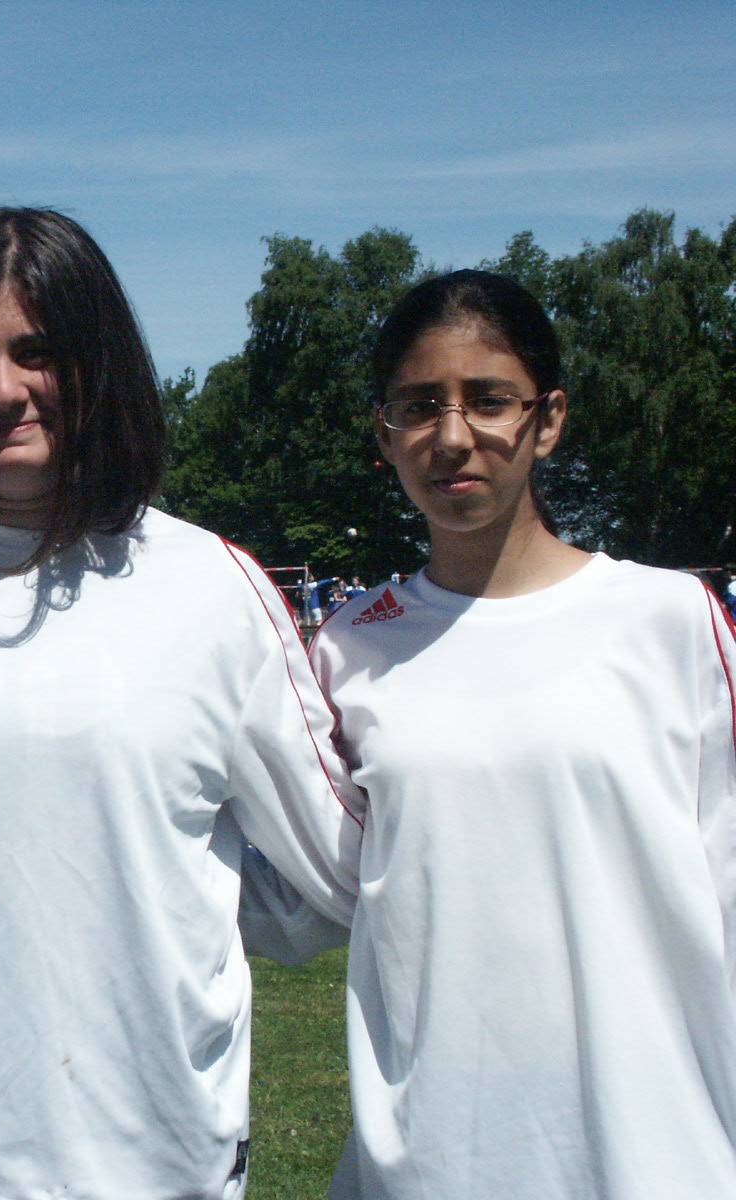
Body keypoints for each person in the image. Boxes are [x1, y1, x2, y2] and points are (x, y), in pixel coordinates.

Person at [0, 207, 362, 1200]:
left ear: (98, 365)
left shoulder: (208, 587)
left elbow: (337, 871)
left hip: (150, 1157)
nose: (2, 389)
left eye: (36, 353)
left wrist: (170, 896)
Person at [310, 269, 736, 1199]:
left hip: (655, 1157)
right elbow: (309, 888)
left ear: (548, 420)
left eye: (489, 400)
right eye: (420, 406)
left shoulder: (670, 621)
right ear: (384, 434)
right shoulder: (348, 650)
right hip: (431, 1165)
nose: (452, 437)